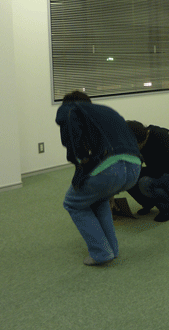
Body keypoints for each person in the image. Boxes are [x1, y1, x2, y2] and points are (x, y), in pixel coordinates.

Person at [55, 91, 141, 266]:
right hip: (135, 167)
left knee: (72, 203)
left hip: (109, 168)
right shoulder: (106, 111)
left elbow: (74, 144)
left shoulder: (70, 109)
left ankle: (101, 252)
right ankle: (112, 249)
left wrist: (80, 160)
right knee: (99, 200)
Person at [125, 121, 169, 222]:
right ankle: (148, 203)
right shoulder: (139, 141)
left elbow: (157, 171)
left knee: (145, 182)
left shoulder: (160, 138)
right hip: (157, 171)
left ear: (138, 141)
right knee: (127, 177)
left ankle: (168, 204)